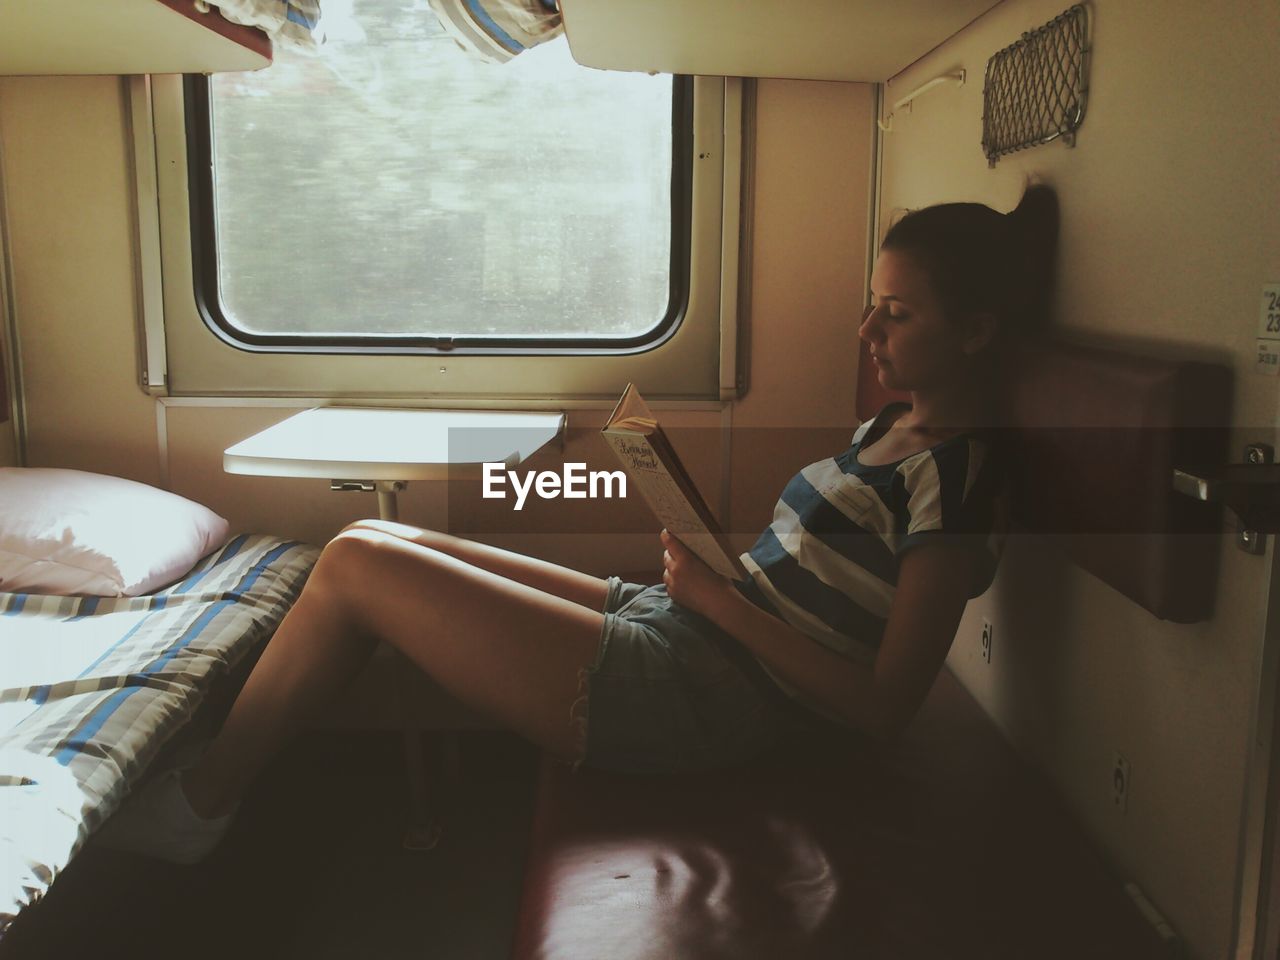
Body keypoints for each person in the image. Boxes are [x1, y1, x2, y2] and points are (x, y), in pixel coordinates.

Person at [98, 184, 1059, 864]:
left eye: (895, 313)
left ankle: (201, 801)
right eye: (869, 306)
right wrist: (714, 579)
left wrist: (721, 609)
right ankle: (216, 774)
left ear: (976, 330)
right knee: (388, 542)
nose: (867, 332)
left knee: (354, 559)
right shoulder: (893, 425)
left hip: (721, 702)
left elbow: (887, 705)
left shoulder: (958, 481)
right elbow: (820, 588)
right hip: (698, 632)